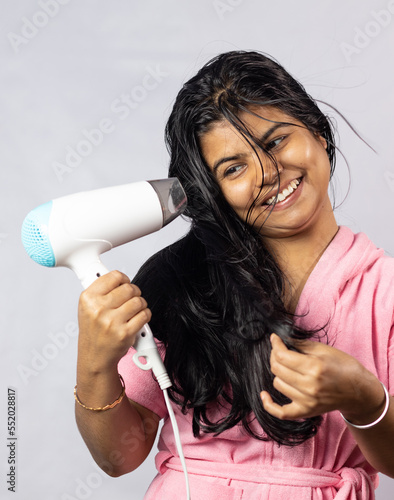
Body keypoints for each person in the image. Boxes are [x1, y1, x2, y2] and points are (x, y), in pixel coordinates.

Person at [74, 51, 394, 499]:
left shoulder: (385, 294)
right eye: (234, 168)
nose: (267, 172)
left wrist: (365, 399)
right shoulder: (176, 281)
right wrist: (94, 363)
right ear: (214, 192)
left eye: (277, 141)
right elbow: (120, 458)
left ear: (319, 132)